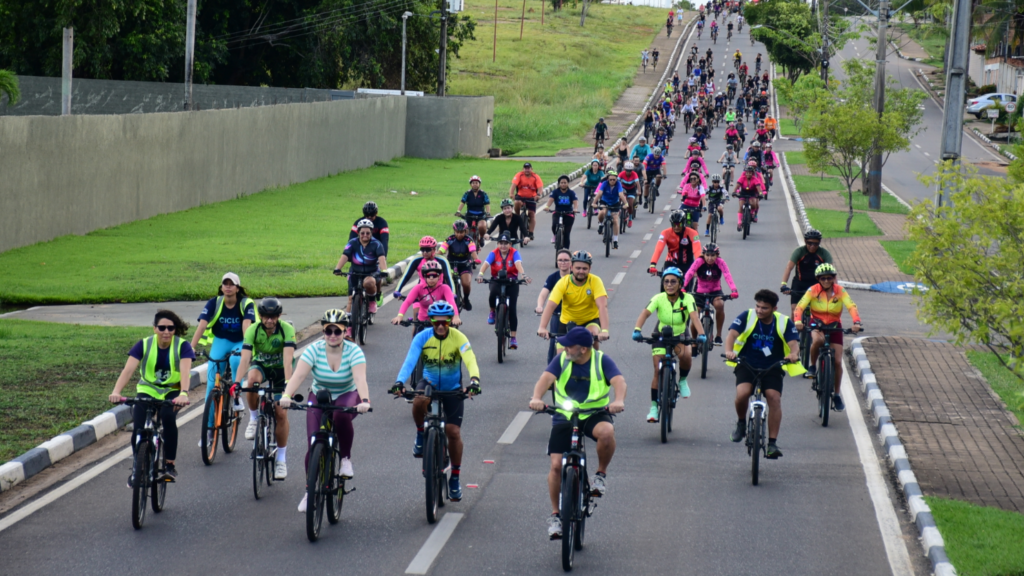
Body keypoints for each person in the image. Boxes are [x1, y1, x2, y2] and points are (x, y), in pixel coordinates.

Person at [529, 326, 626, 539]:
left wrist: (618, 400)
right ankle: (556, 515)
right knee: (556, 466)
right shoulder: (562, 359)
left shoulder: (602, 360)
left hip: (594, 413)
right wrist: (537, 398)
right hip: (564, 414)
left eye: (568, 345)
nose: (564, 347)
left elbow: (619, 381)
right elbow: (545, 379)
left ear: (583, 349)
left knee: (607, 432)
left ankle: (600, 474)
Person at [390, 301, 481, 501]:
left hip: (452, 389)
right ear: (430, 320)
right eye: (436, 322)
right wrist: (399, 381)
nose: (440, 326)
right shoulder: (422, 337)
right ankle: (421, 434)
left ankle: (455, 478)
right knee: (418, 400)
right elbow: (410, 361)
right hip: (428, 383)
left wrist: (474, 380)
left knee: (453, 432)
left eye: (445, 322)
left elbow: (470, 360)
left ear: (450, 321)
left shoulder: (459, 338)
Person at [280, 310, 370, 512]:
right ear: (323, 331)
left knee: (340, 415)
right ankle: (309, 491)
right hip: (319, 395)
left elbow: (359, 379)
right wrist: (286, 396)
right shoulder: (314, 350)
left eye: (337, 331)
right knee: (313, 444)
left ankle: (345, 459)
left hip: (347, 394)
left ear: (345, 331)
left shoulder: (354, 351)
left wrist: (364, 400)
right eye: (328, 330)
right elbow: (298, 376)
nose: (332, 335)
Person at [110, 310, 194, 483]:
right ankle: (137, 467)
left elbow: (185, 372)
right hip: (148, 389)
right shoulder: (144, 344)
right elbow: (128, 371)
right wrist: (116, 391)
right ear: (154, 328)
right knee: (139, 427)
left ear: (175, 329)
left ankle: (169, 464)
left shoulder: (182, 346)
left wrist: (184, 393)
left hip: (173, 390)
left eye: (170, 328)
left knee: (168, 417)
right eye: (162, 327)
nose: (166, 332)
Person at [724, 290, 805, 459]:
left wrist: (793, 354)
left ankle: (772, 443)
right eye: (758, 306)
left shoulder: (784, 322)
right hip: (747, 364)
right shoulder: (747, 316)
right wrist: (729, 351)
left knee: (774, 398)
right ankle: (741, 423)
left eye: (764, 308)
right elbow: (732, 335)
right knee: (743, 393)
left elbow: (793, 343)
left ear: (774, 308)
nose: (759, 310)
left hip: (773, 366)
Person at [632, 267, 705, 424]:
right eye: (666, 282)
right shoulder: (658, 298)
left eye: (673, 282)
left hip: (680, 333)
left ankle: (683, 380)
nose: (669, 285)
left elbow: (694, 317)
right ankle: (653, 408)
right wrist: (637, 329)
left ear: (680, 283)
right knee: (657, 371)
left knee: (686, 356)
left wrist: (701, 334)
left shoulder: (687, 299)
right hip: (661, 334)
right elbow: (644, 313)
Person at [236, 297, 295, 479]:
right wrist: (237, 383)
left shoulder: (287, 329)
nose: (270, 320)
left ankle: (281, 460)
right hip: (261, 365)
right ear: (260, 316)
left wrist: (287, 385)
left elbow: (287, 360)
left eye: (273, 316)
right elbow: (245, 359)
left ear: (279, 316)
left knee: (281, 413)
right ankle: (254, 418)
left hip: (279, 371)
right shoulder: (253, 330)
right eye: (266, 317)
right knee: (251, 381)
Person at [191, 272, 255, 437]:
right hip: (221, 340)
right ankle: (209, 431)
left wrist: (247, 349)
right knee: (212, 385)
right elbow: (202, 325)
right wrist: (191, 347)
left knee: (235, 360)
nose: (228, 287)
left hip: (240, 340)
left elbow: (247, 327)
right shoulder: (215, 302)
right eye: (225, 284)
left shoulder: (246, 303)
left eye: (231, 284)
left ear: (237, 287)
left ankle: (236, 394)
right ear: (221, 287)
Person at [794, 263, 862, 412]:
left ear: (833, 278)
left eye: (829, 278)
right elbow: (800, 307)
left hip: (834, 325)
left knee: (837, 362)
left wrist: (856, 322)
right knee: (818, 340)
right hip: (817, 323)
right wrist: (798, 321)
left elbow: (851, 306)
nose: (826, 281)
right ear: (818, 279)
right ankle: (812, 366)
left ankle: (837, 394)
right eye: (823, 278)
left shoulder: (840, 291)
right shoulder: (813, 290)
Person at [537, 250, 611, 347]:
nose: (581, 271)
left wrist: (604, 331)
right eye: (578, 268)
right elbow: (551, 305)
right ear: (572, 267)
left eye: (585, 269)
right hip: (567, 322)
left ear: (590, 269)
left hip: (590, 320)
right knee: (561, 357)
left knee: (590, 337)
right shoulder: (563, 282)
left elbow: (602, 306)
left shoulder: (595, 281)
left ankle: (595, 360)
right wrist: (542, 327)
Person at [477, 231, 532, 348]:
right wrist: (480, 274)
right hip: (496, 280)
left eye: (505, 243)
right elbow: (485, 264)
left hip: (512, 282)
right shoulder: (493, 253)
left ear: (510, 244)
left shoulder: (515, 253)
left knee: (512, 309)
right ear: (497, 244)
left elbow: (518, 264)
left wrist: (523, 275)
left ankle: (513, 337)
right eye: (500, 243)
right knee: (492, 294)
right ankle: (492, 312)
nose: (503, 246)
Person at [335, 219, 387, 336]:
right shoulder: (352, 243)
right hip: (355, 272)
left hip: (371, 272)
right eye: (362, 233)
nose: (365, 235)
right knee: (350, 298)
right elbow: (345, 255)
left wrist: (384, 271)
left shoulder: (376, 244)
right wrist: (337, 268)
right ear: (358, 232)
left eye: (367, 233)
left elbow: (381, 257)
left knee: (368, 283)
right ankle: (349, 327)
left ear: (371, 233)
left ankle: (372, 301)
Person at [684, 244, 738, 343]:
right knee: (695, 313)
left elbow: (727, 275)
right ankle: (694, 342)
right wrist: (683, 287)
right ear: (703, 255)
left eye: (713, 255)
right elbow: (690, 273)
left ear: (717, 255)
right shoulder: (699, 261)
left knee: (720, 305)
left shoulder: (720, 262)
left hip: (715, 290)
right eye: (707, 255)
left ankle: (718, 335)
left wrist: (733, 290)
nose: (710, 258)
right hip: (700, 291)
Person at [393, 259, 462, 331]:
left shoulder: (445, 288)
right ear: (424, 277)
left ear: (439, 276)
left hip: (440, 322)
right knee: (416, 337)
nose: (431, 278)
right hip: (423, 321)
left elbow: (451, 302)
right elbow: (407, 302)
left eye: (434, 275)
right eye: (428, 276)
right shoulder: (418, 288)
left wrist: (456, 316)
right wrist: (400, 316)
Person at [781, 229, 833, 316]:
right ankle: (794, 329)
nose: (812, 246)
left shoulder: (824, 253)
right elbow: (788, 268)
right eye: (809, 243)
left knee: (820, 311)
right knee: (795, 310)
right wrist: (783, 284)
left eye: (816, 244)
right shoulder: (799, 251)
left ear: (819, 242)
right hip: (799, 283)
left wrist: (833, 287)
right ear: (805, 241)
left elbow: (831, 272)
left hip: (816, 284)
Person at [393, 236, 457, 305]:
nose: (425, 252)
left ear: (434, 249)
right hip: (422, 290)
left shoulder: (442, 261)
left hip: (439, 289)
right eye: (422, 250)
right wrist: (397, 290)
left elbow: (448, 277)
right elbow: (406, 276)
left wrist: (452, 293)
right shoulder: (416, 260)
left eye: (427, 250)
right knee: (416, 309)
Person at [537, 250, 573, 364]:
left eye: (566, 260)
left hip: (574, 316)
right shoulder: (553, 277)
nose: (563, 263)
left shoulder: (576, 277)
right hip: (557, 315)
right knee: (554, 343)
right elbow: (543, 294)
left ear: (571, 262)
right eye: (560, 260)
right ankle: (551, 373)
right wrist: (539, 306)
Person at [438, 221, 478, 311]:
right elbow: (442, 250)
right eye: (457, 232)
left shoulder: (469, 240)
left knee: (466, 284)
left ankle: (466, 299)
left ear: (466, 231)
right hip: (451, 264)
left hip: (465, 264)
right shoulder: (449, 239)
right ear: (454, 231)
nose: (459, 234)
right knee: (447, 281)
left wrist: (475, 259)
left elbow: (472, 250)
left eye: (461, 232)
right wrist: (437, 256)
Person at [591, 170, 628, 250]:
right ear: (608, 179)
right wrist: (594, 203)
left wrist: (626, 204)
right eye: (610, 179)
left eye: (614, 180)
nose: (612, 181)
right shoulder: (604, 183)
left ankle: (615, 241)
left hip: (615, 203)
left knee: (615, 220)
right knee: (602, 213)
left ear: (616, 179)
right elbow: (599, 193)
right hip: (605, 201)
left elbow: (621, 194)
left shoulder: (618, 184)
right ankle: (601, 225)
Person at [509, 162, 544, 240]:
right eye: (525, 168)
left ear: (531, 169)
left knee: (532, 214)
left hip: (531, 198)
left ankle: (531, 233)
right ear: (523, 169)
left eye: (528, 168)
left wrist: (538, 195)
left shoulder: (535, 177)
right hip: (520, 197)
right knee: (517, 203)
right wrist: (511, 194)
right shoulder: (519, 175)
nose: (527, 170)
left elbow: (540, 187)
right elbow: (513, 185)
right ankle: (517, 217)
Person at [544, 175, 579, 248]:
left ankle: (566, 251)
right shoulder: (555, 192)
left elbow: (575, 201)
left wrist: (575, 209)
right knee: (554, 225)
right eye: (561, 183)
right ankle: (556, 235)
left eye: (565, 182)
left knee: (567, 234)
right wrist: (547, 206)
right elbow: (551, 199)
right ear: (559, 184)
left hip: (569, 213)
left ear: (568, 183)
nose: (563, 184)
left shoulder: (571, 192)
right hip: (558, 212)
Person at [456, 176, 491, 244]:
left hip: (480, 215)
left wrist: (488, 213)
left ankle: (481, 237)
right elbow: (462, 202)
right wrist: (458, 211)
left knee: (482, 226)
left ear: (479, 184)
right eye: (473, 183)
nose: (475, 184)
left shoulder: (483, 194)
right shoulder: (467, 193)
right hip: (469, 214)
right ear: (470, 184)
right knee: (464, 229)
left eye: (476, 183)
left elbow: (487, 204)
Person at [735, 161, 764, 228]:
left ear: (752, 173)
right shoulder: (742, 178)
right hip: (743, 193)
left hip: (752, 193)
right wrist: (735, 192)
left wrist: (760, 193)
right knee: (741, 206)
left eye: (750, 173)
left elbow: (758, 187)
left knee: (753, 204)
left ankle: (752, 214)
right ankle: (739, 222)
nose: (748, 174)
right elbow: (737, 185)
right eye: (747, 173)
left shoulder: (755, 179)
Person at [618, 161, 641, 227]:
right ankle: (619, 209)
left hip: (631, 190)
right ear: (624, 170)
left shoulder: (634, 174)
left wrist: (639, 191)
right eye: (627, 170)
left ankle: (630, 219)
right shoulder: (621, 174)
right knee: (619, 198)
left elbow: (638, 184)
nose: (628, 172)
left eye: (630, 170)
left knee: (630, 204)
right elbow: (617, 182)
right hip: (623, 188)